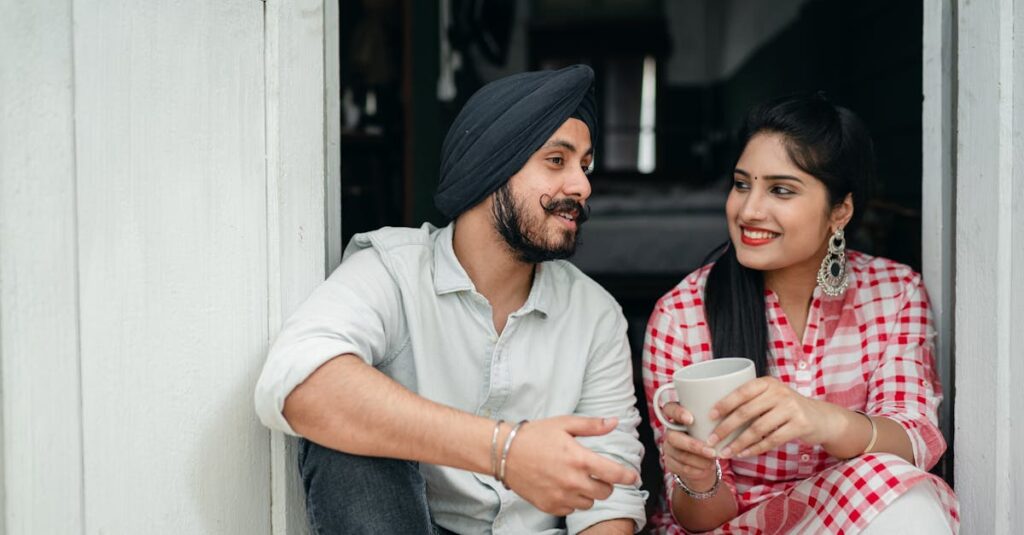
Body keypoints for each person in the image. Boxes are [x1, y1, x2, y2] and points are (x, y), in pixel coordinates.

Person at [255, 64, 647, 535]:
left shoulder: (595, 314)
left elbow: (608, 501)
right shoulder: (392, 272)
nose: (582, 186)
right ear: (491, 167)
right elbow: (299, 381)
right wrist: (505, 451)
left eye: (585, 165)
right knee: (345, 440)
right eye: (557, 161)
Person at [642, 93, 959, 534]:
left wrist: (820, 419)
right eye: (741, 184)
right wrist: (698, 480)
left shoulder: (893, 292)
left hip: (858, 515)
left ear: (840, 212)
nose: (749, 210)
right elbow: (700, 520)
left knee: (906, 493)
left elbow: (913, 443)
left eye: (781, 190)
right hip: (732, 528)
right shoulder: (682, 315)